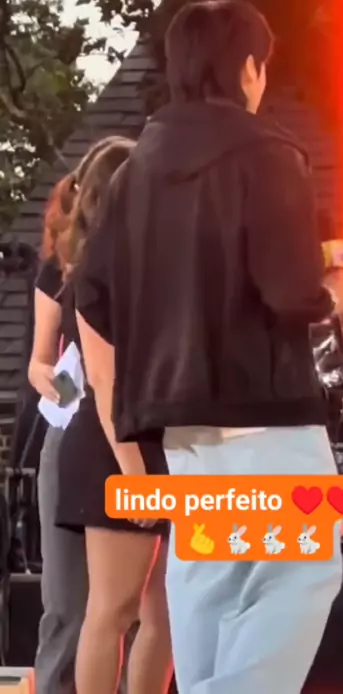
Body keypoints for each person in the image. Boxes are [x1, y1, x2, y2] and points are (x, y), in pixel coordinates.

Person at [72, 0, 343, 694]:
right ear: (248, 68)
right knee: (299, 572)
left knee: (208, 590)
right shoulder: (268, 153)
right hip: (267, 412)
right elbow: (291, 292)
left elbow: (91, 293)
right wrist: (331, 288)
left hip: (179, 430)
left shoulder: (135, 171)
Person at [54, 140, 172, 694]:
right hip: (116, 448)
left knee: (166, 613)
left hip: (162, 441)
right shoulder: (98, 274)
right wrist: (135, 474)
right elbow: (106, 381)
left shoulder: (153, 267)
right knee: (114, 608)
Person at [30, 140, 122, 694]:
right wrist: (73, 388)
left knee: (128, 604)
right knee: (68, 601)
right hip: (71, 428)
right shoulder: (60, 271)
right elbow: (40, 364)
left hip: (129, 431)